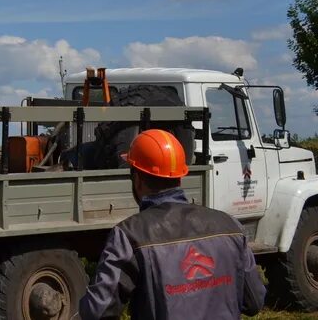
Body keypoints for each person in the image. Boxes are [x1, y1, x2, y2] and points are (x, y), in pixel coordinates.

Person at [78, 129, 266, 319]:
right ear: (180, 176)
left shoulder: (129, 236)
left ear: (137, 178)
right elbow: (254, 302)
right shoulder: (231, 227)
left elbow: (97, 312)